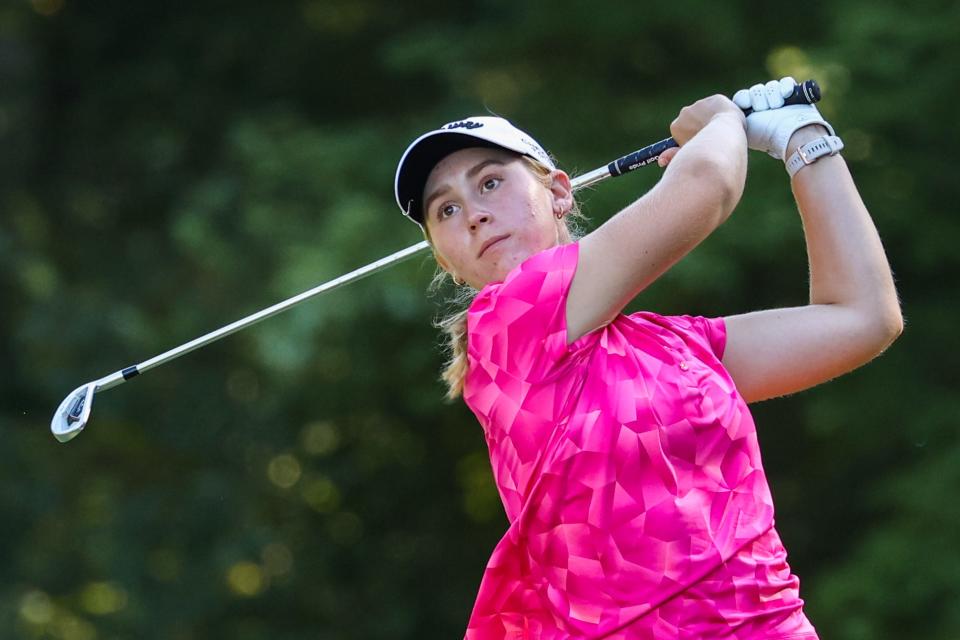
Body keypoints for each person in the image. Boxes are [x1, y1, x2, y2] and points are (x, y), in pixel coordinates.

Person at [393, 78, 902, 639]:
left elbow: (862, 319)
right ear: (446, 260)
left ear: (559, 192)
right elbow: (707, 184)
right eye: (445, 211)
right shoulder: (506, 328)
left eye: (490, 182)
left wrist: (805, 139)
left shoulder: (675, 345)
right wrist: (719, 123)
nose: (473, 215)